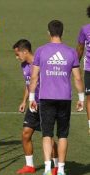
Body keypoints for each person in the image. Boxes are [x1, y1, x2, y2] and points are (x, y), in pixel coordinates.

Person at [29, 20, 84, 175]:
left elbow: (34, 77)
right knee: (63, 135)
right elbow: (78, 78)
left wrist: (31, 98)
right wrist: (81, 98)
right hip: (64, 98)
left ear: (48, 33)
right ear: (63, 33)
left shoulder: (41, 51)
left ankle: (47, 168)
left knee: (47, 133)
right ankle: (60, 169)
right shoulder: (71, 52)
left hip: (46, 97)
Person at [13, 39, 58, 174]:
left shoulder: (41, 65)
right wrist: (24, 101)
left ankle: (56, 166)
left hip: (45, 104)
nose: (17, 57)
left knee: (47, 136)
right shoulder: (24, 66)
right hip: (32, 105)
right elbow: (29, 85)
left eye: (18, 54)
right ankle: (29, 166)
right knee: (26, 134)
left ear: (25, 51)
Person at [76, 5, 90, 134]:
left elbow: (80, 48)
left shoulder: (85, 29)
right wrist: (75, 64)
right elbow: (80, 48)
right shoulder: (85, 29)